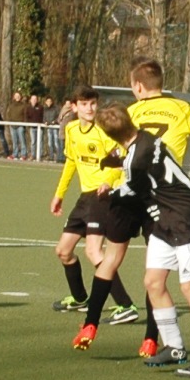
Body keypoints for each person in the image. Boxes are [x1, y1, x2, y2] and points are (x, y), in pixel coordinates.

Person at [73, 103, 190, 378]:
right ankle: (174, 347)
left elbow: (131, 190)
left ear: (108, 135)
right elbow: (137, 162)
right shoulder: (146, 138)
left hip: (186, 220)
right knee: (153, 282)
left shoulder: (134, 160)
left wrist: (109, 195)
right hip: (164, 221)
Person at [50, 85, 138, 324]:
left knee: (93, 251)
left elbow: (119, 162)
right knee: (63, 251)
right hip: (85, 199)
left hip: (103, 197)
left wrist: (108, 182)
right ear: (74, 106)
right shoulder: (71, 129)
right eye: (84, 104)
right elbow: (71, 162)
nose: (89, 108)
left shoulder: (104, 131)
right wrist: (59, 194)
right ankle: (80, 298)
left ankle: (125, 305)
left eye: (93, 103)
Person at [6, 91, 27, 160]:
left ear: (20, 97)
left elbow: (25, 115)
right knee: (14, 141)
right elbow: (8, 114)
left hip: (20, 126)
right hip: (12, 126)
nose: (17, 97)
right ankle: (15, 154)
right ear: (14, 97)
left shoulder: (23, 105)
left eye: (19, 96)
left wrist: (24, 124)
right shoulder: (11, 105)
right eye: (16, 96)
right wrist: (10, 121)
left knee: (22, 140)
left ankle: (23, 154)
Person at [25, 94, 44, 160]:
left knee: (40, 141)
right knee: (33, 142)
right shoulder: (28, 108)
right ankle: (33, 155)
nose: (34, 100)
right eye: (33, 99)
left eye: (35, 99)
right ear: (30, 100)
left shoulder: (41, 107)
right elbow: (26, 117)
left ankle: (40, 155)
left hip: (40, 128)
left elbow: (43, 116)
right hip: (32, 128)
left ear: (37, 100)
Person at [56, 98, 74, 163]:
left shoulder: (72, 112)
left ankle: (64, 158)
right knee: (60, 145)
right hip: (61, 130)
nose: (67, 105)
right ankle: (59, 158)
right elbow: (59, 119)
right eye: (66, 104)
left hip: (68, 130)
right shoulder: (62, 110)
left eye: (69, 104)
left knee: (65, 145)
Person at [43, 96, 60, 162]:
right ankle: (51, 156)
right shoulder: (45, 109)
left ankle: (58, 156)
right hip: (49, 127)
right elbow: (43, 117)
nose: (49, 102)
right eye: (47, 101)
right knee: (50, 142)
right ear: (45, 102)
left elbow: (58, 117)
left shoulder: (55, 109)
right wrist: (45, 122)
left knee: (56, 142)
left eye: (50, 101)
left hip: (55, 127)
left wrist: (54, 121)